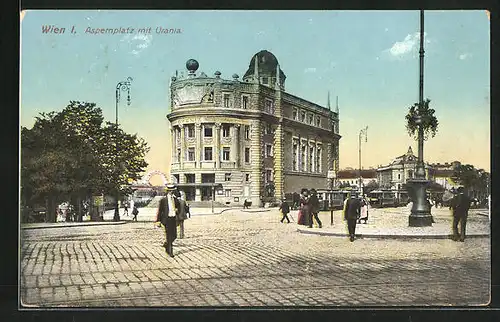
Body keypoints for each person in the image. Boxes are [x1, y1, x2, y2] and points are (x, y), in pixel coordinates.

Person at [156, 184, 180, 257]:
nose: (171, 192)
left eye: (172, 191)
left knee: (174, 235)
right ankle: (170, 251)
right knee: (169, 235)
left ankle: (167, 244)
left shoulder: (175, 199)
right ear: (167, 191)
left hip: (173, 218)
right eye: (170, 191)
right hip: (166, 219)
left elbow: (179, 206)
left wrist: (177, 210)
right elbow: (160, 211)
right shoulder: (163, 200)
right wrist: (158, 221)